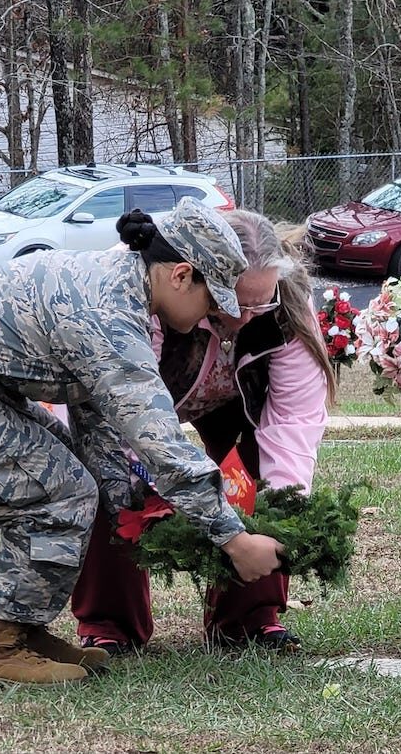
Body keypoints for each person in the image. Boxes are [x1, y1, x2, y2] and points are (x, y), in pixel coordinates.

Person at [0, 197, 284, 686]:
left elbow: (98, 419)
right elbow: (160, 441)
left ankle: (22, 632)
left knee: (77, 481)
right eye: (212, 301)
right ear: (181, 275)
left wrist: (126, 503)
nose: (215, 315)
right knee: (61, 493)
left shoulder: (118, 286)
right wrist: (234, 539)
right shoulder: (109, 314)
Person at [72, 209, 337, 654]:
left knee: (259, 475)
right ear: (192, 275)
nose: (248, 317)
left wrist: (282, 509)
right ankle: (110, 625)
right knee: (112, 476)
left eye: (260, 304)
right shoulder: (138, 289)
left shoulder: (288, 303)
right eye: (236, 302)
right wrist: (154, 485)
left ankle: (248, 621)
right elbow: (126, 421)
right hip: (144, 394)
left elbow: (292, 423)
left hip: (235, 399)